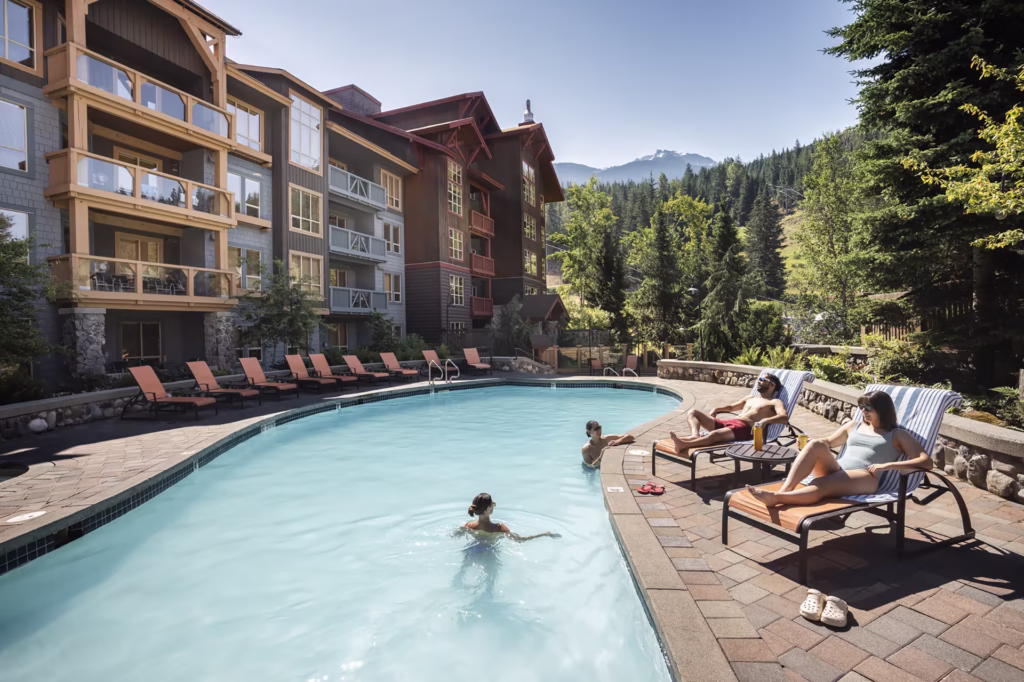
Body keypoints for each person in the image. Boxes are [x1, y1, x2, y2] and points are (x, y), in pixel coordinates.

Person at [745, 390, 929, 507]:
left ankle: (776, 498)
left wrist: (888, 465)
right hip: (837, 470)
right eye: (861, 407)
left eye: (868, 407)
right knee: (816, 443)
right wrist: (811, 446)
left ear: (882, 409)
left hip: (866, 476)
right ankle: (785, 490)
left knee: (819, 485)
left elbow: (926, 462)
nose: (863, 411)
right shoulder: (853, 425)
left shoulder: (897, 434)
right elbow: (828, 441)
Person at [666, 373, 788, 457]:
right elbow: (731, 407)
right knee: (693, 412)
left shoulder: (774, 402)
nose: (759, 382)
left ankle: (683, 445)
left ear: (772, 385)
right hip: (730, 423)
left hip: (744, 429)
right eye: (759, 379)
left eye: (763, 380)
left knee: (714, 435)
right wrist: (716, 409)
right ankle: (695, 435)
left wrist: (765, 420)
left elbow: (784, 417)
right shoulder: (750, 397)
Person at [463, 493, 559, 540]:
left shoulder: (468, 525)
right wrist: (544, 534)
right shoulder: (499, 528)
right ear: (489, 508)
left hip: (473, 550)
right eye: (493, 504)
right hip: (489, 553)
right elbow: (520, 540)